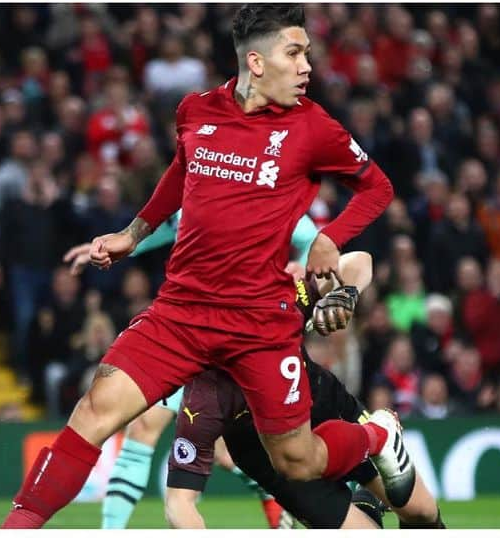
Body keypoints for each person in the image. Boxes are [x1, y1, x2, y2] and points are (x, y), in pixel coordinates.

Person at [2, 4, 411, 529]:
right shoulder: (196, 111)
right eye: (295, 52)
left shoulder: (313, 127)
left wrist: (329, 238)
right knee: (95, 410)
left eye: (307, 52)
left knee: (298, 460)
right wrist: (132, 235)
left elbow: (377, 188)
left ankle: (378, 436)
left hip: (259, 321)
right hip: (183, 310)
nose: (308, 65)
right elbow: (180, 173)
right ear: (257, 63)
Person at [62, 211, 324, 529]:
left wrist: (300, 266)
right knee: (146, 426)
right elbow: (164, 227)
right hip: (188, 329)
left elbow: (314, 239)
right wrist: (119, 245)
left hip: (242, 335)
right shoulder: (201, 182)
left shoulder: (271, 192)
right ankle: (110, 532)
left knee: (227, 449)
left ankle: (277, 499)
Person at [164, 252, 446, 530]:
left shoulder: (278, 300)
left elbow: (359, 260)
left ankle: (372, 466)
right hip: (278, 466)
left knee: (420, 512)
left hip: (326, 409)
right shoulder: (202, 399)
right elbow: (179, 502)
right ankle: (366, 500)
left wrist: (344, 295)